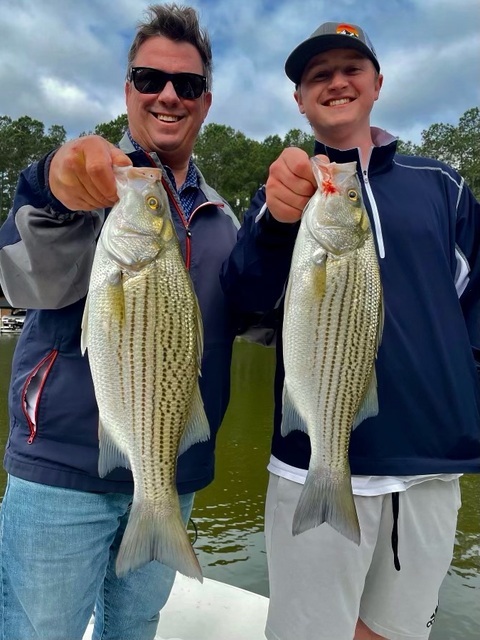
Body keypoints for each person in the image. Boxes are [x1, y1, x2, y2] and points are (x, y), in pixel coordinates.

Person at [221, 21, 480, 640]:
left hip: (429, 464)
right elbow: (246, 303)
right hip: (312, 461)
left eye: (351, 69)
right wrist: (275, 223)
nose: (336, 82)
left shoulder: (441, 185)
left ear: (377, 83)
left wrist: (459, 398)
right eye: (318, 75)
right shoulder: (282, 193)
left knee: (396, 632)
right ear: (300, 100)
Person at [0, 4, 243, 640]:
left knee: (134, 630)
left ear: (205, 102)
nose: (168, 95)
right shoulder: (88, 184)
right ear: (127, 91)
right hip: (62, 474)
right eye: (148, 78)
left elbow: (262, 325)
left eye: (186, 85)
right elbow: (22, 276)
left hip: (170, 474)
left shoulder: (224, 223)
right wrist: (53, 183)